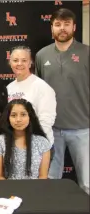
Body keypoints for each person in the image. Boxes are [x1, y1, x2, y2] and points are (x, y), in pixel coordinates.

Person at [35, 8, 89, 194]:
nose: (62, 28)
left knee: (87, 183)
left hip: (83, 129)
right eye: (58, 24)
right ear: (52, 29)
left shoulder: (87, 53)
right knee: (51, 181)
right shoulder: (42, 55)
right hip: (52, 130)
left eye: (66, 24)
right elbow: (38, 90)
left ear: (74, 27)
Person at [7, 46, 56, 147]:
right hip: (16, 145)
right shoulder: (9, 88)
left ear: (30, 63)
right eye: (15, 60)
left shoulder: (42, 87)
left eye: (24, 60)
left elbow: (46, 120)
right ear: (10, 63)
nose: (19, 63)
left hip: (38, 146)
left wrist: (35, 145)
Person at [0, 99, 51, 180]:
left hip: (35, 190)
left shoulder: (42, 142)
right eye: (13, 115)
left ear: (30, 117)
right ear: (8, 118)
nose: (18, 119)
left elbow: (43, 177)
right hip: (8, 190)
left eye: (23, 114)